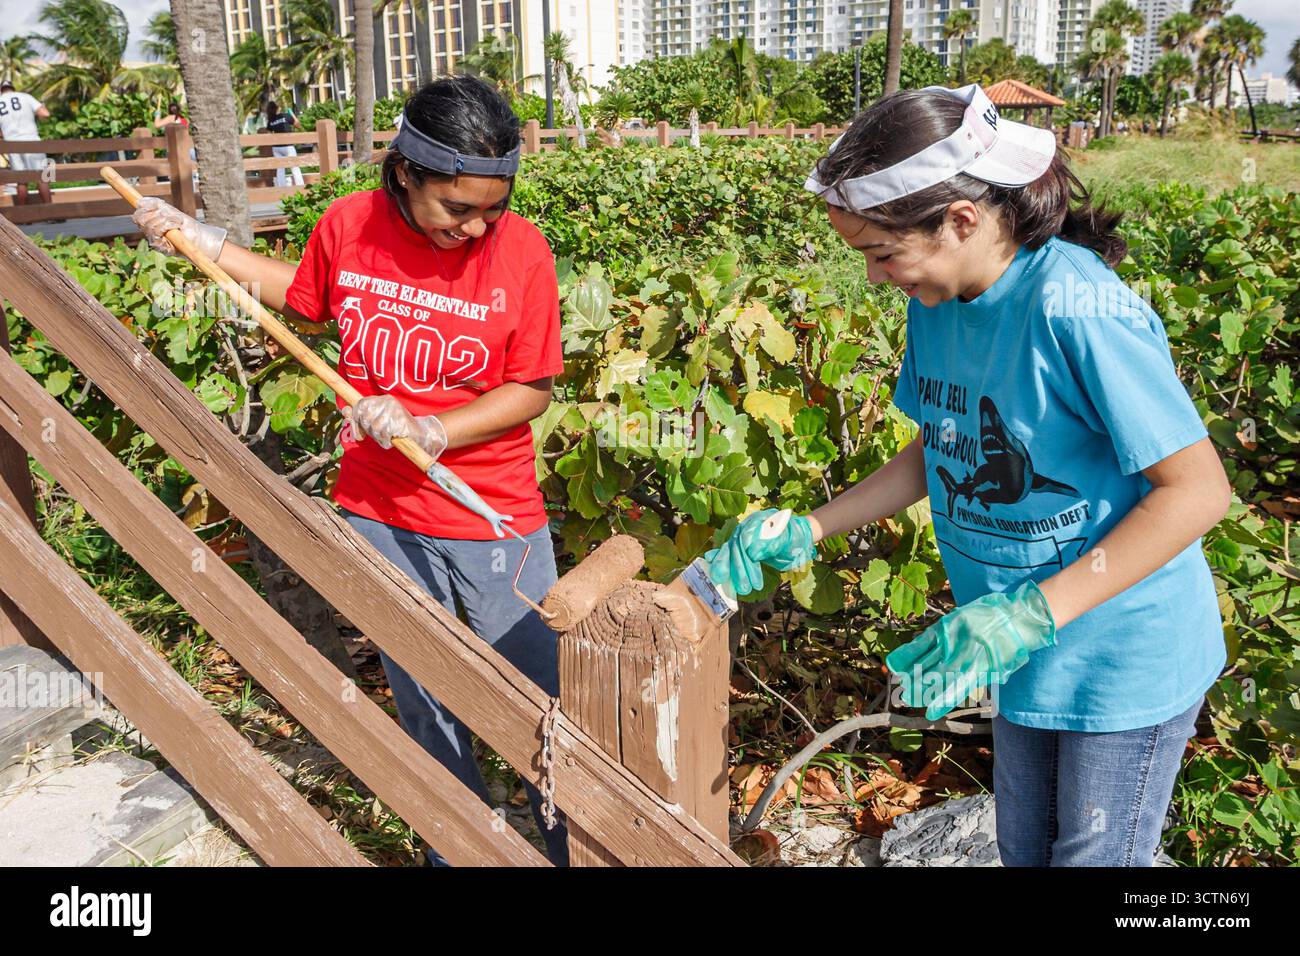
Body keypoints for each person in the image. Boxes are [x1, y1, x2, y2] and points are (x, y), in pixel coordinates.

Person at [706, 84, 1230, 867]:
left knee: (1094, 857)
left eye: (883, 253)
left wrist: (1033, 614)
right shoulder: (940, 295)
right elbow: (940, 448)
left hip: (1119, 656)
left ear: (961, 219)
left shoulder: (1076, 308)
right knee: (1025, 850)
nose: (878, 278)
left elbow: (1197, 490)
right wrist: (814, 525)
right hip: (1018, 648)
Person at [130, 76, 569, 867]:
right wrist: (195, 235)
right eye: (455, 209)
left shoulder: (523, 252)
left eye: (490, 211)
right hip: (376, 508)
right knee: (424, 693)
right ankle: (458, 848)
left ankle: (576, 844)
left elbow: (529, 389)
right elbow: (301, 295)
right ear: (405, 173)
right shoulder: (349, 224)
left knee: (544, 707)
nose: (474, 230)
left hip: (491, 513)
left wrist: (434, 428)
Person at [0, 81, 52, 205]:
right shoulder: (25, 97)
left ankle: (25, 217)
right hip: (31, 141)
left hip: (11, 144)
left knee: (21, 181)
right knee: (42, 178)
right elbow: (45, 113)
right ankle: (51, 213)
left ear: (1, 90)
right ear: (13, 88)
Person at [262, 100, 305, 188]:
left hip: (276, 147)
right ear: (277, 108)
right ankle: (300, 186)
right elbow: (298, 125)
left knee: (280, 168)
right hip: (288, 146)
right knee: (294, 167)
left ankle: (281, 188)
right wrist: (293, 115)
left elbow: (268, 133)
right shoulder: (286, 116)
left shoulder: (270, 121)